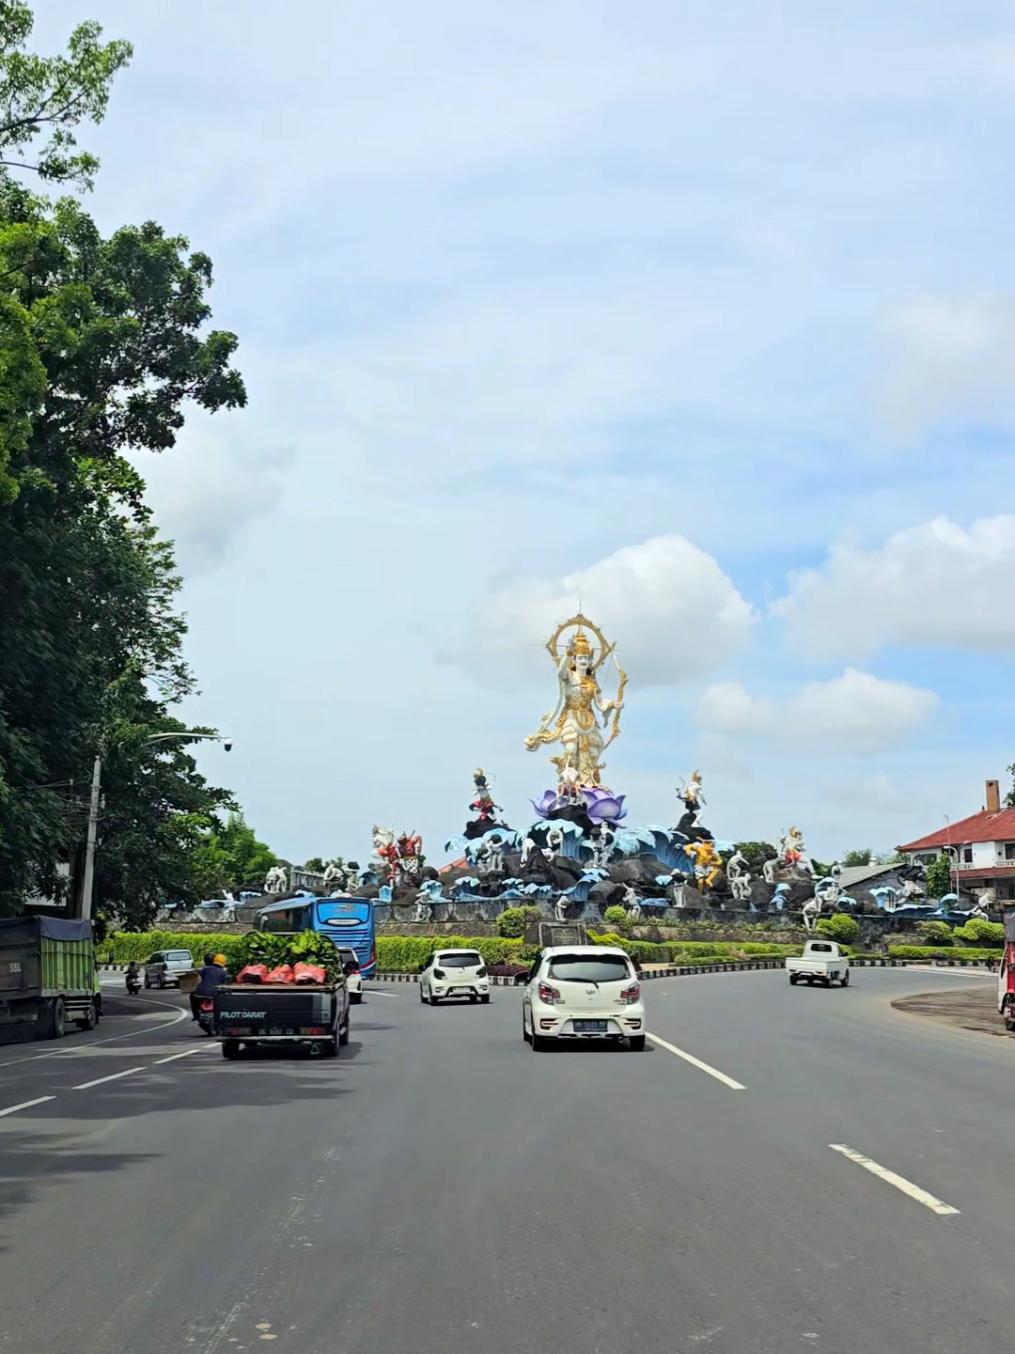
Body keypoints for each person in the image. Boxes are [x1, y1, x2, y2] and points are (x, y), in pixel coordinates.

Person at [191, 951, 228, 1020]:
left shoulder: (206, 969)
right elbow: (224, 984)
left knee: (192, 997)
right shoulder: (223, 972)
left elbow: (201, 976)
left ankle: (195, 1015)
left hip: (200, 993)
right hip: (214, 995)